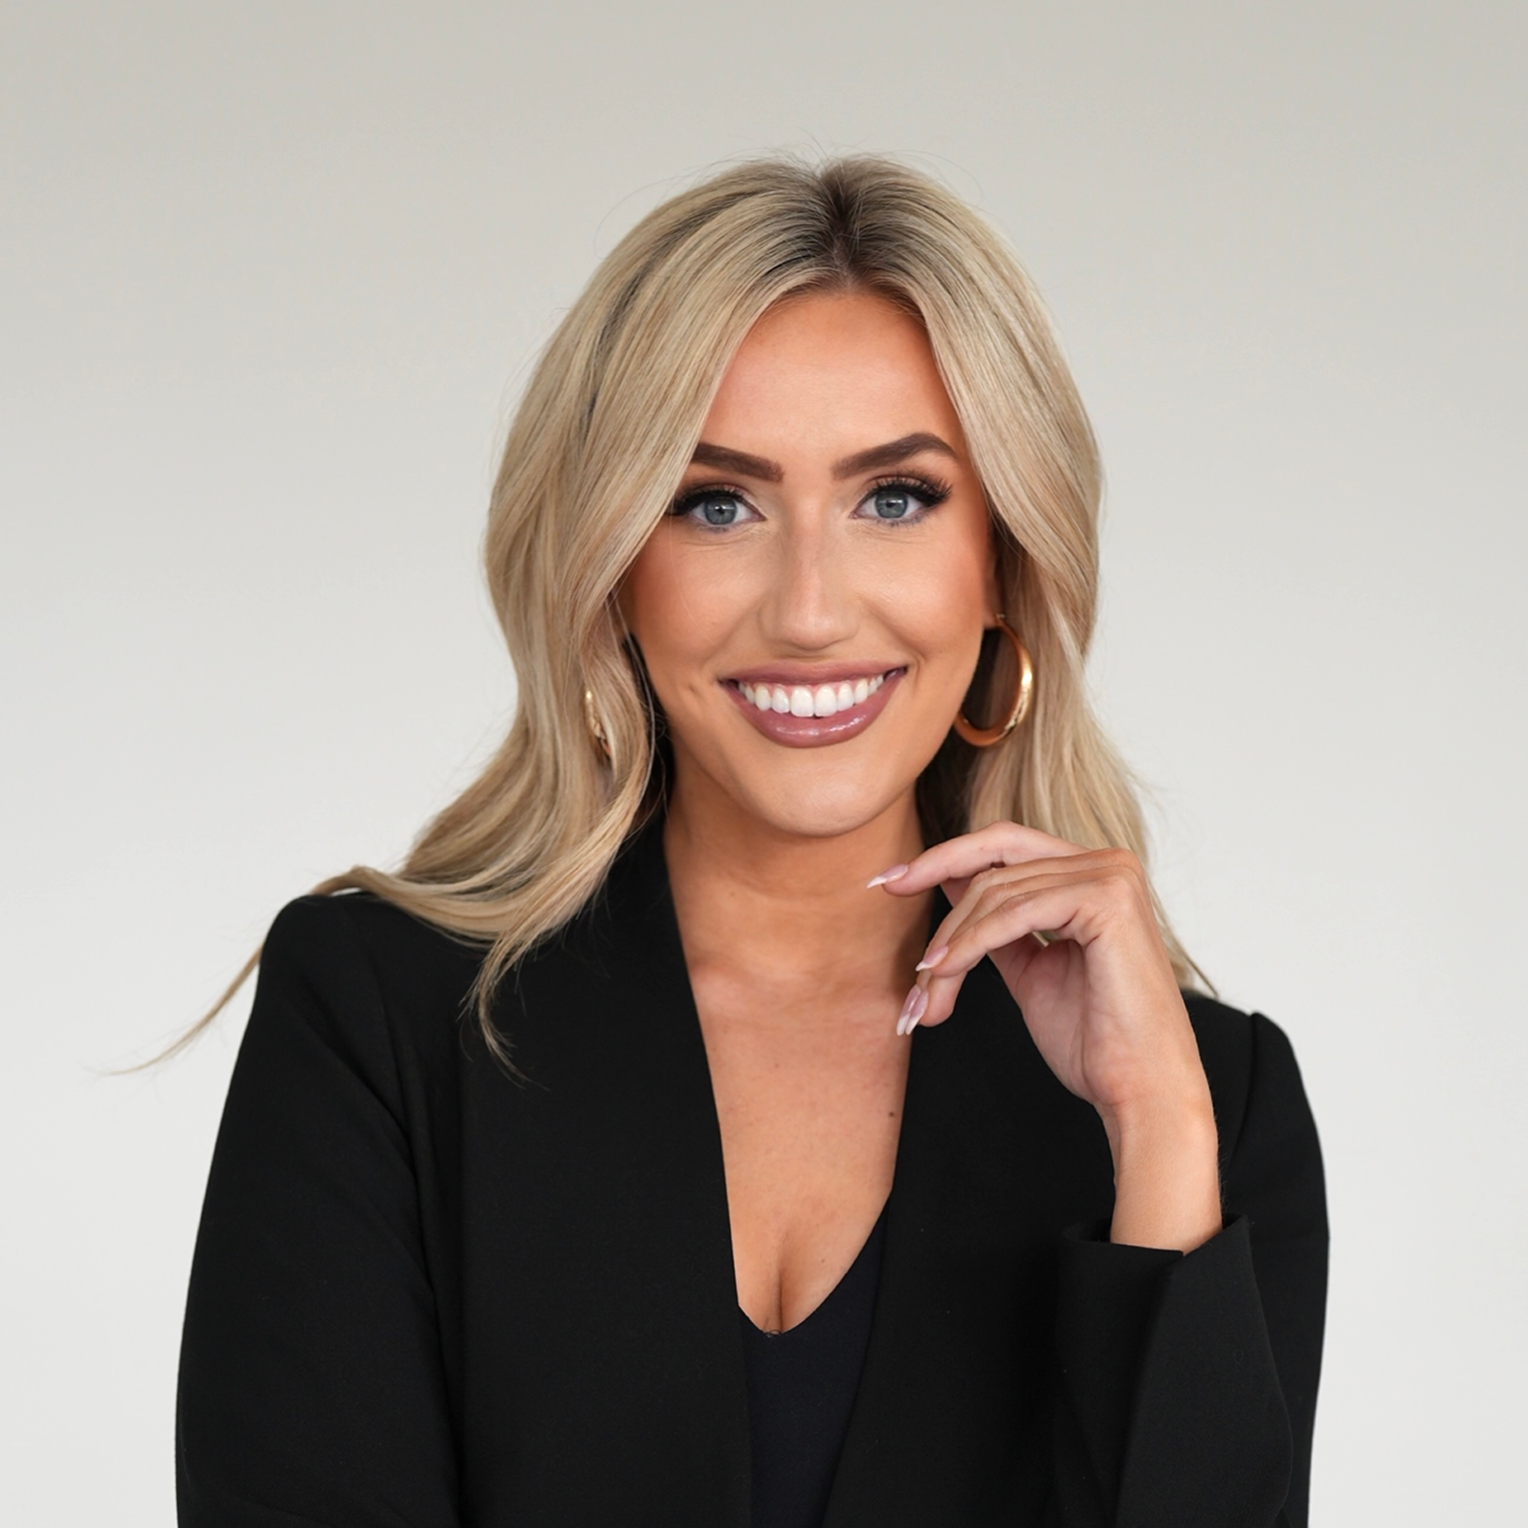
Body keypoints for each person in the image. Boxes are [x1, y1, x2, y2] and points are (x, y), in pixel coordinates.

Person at [176, 156, 1327, 1528]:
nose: (809, 609)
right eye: (716, 502)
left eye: (895, 497)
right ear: (613, 572)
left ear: (1006, 564)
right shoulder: (383, 1021)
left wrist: (1155, 1132)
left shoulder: (1205, 1106)